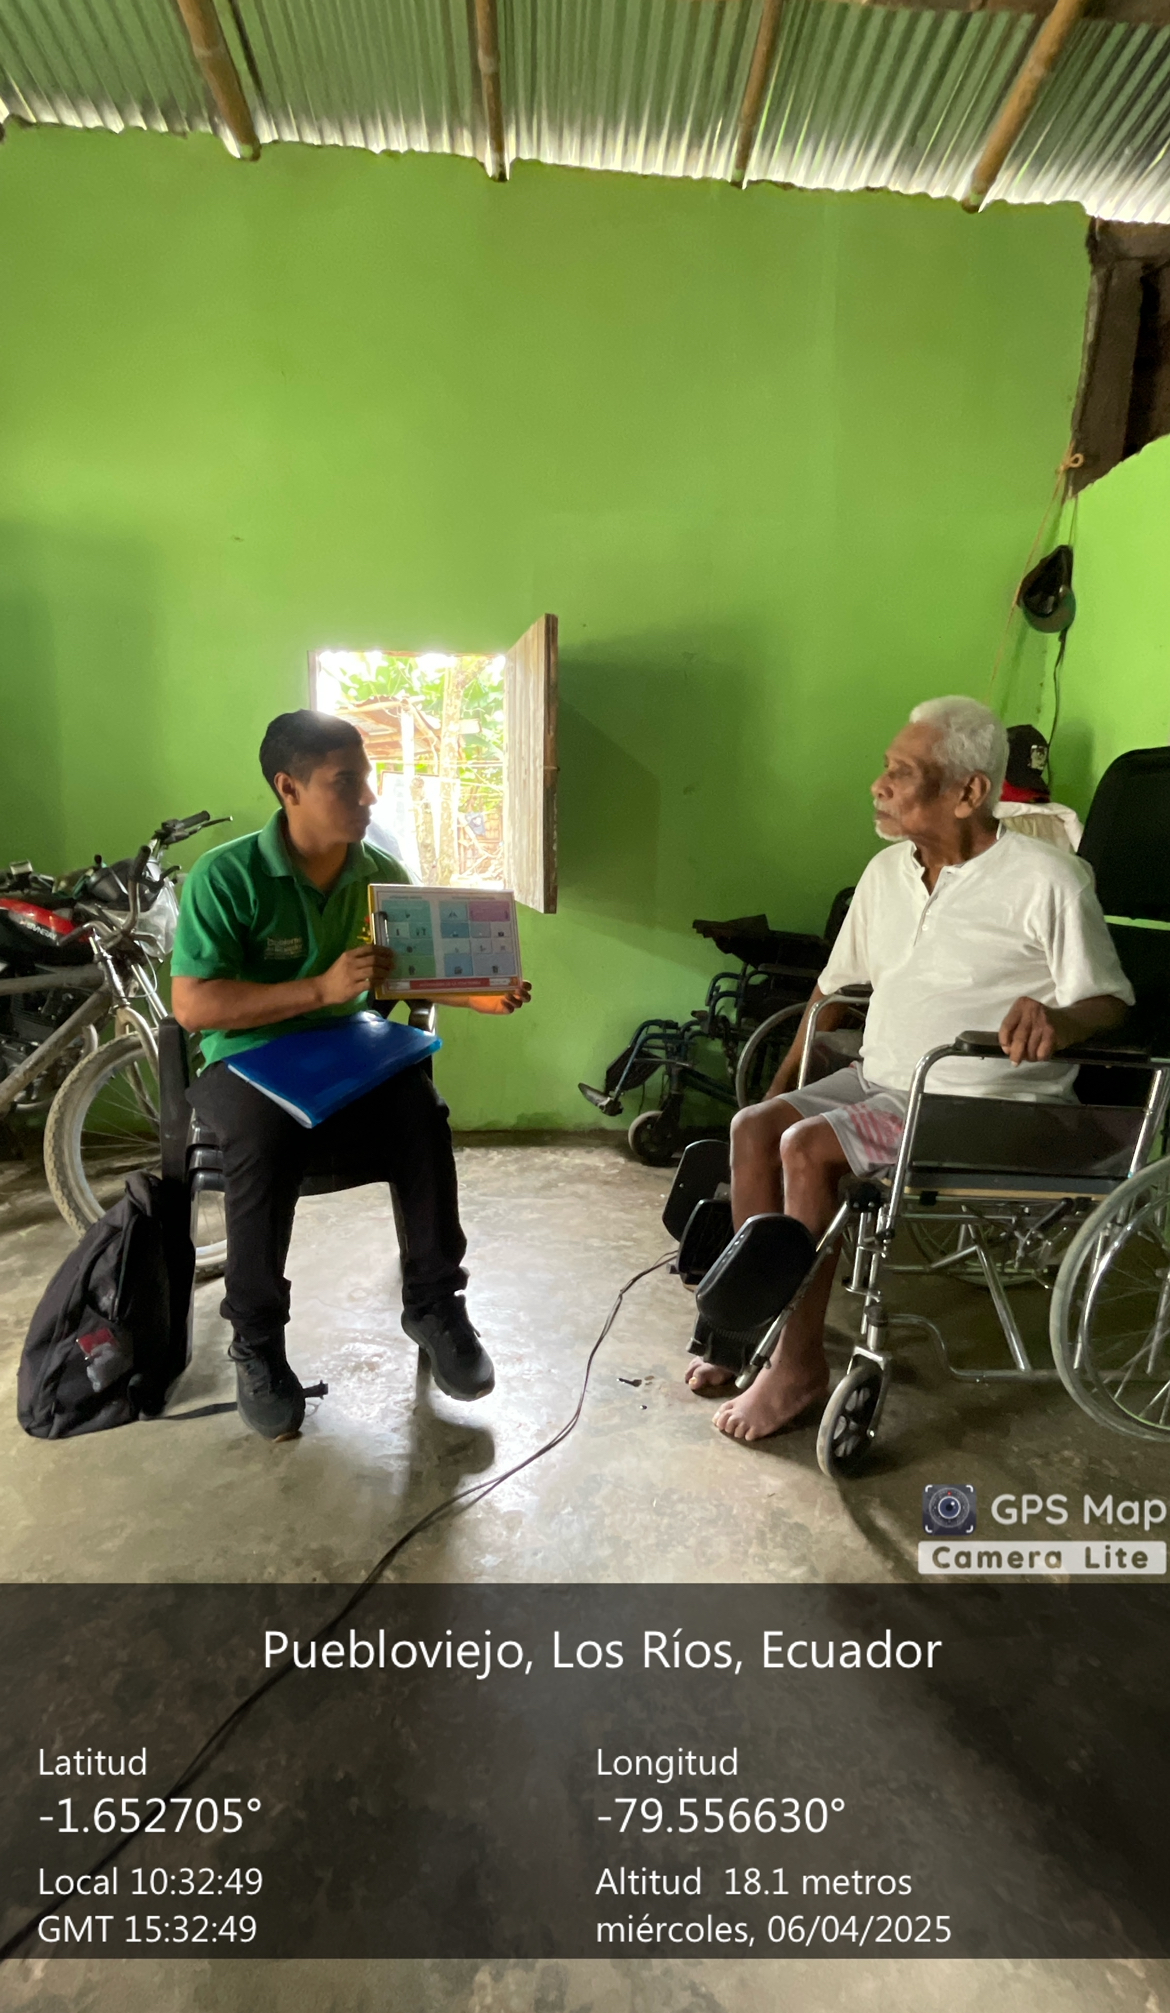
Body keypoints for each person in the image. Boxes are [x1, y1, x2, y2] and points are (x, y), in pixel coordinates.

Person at [691, 695, 1133, 1445]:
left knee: (807, 1148)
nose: (879, 784)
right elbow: (832, 992)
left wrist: (1058, 1019)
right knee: (756, 1128)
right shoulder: (884, 873)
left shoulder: (1050, 879)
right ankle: (749, 1330)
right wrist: (780, 1087)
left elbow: (1108, 999)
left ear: (969, 791)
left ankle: (798, 1369)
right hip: (883, 1078)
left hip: (978, 1099)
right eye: (885, 767)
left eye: (902, 772)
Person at [170, 710, 530, 1443]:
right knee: (262, 1140)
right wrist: (320, 989)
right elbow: (194, 1006)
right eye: (347, 783)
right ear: (289, 788)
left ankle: (435, 1305)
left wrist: (480, 995)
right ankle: (256, 1341)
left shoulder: (378, 875)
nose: (369, 797)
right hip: (246, 1058)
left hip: (349, 1047)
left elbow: (412, 972)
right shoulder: (227, 876)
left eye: (366, 780)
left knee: (420, 1115)